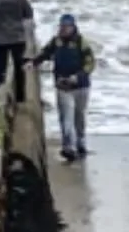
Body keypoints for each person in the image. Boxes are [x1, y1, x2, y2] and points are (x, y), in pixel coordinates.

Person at [35, 13, 97, 162]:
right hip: (63, 86)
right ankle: (68, 147)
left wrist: (78, 77)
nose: (63, 30)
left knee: (79, 117)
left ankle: (81, 142)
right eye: (61, 27)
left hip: (81, 86)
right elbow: (45, 53)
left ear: (73, 27)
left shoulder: (82, 43)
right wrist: (33, 62)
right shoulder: (56, 42)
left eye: (66, 27)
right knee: (65, 118)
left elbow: (90, 64)